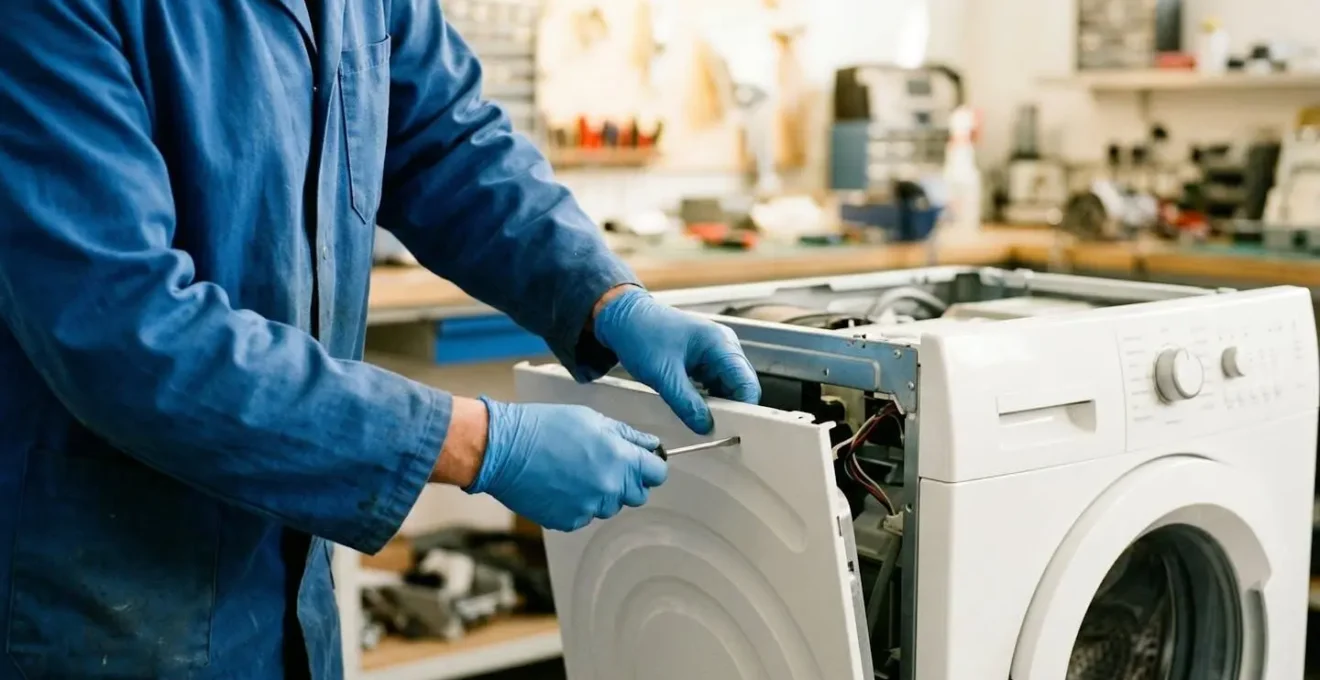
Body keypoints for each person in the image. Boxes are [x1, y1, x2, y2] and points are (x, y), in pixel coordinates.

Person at [0, 1, 761, 678]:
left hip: (289, 590)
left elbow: (447, 147)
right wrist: (474, 443)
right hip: (100, 602)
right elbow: (126, 333)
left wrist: (604, 297)